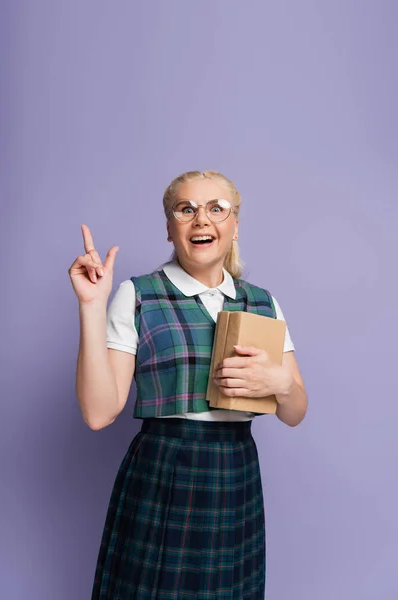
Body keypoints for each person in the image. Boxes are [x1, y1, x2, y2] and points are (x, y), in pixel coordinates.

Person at [68, 170, 308, 599]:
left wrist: (282, 384)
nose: (202, 219)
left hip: (236, 471)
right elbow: (99, 412)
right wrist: (92, 306)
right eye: (187, 209)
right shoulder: (138, 294)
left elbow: (295, 412)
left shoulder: (262, 302)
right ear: (169, 228)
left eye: (217, 209)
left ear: (234, 226)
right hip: (164, 468)